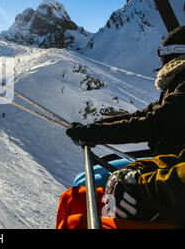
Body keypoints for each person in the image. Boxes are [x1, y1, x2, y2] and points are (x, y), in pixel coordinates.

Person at [61, 25, 185, 228]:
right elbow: (145, 114)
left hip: (170, 167)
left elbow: (153, 123)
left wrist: (94, 133)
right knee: (84, 179)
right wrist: (93, 128)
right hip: (165, 161)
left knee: (86, 184)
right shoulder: (177, 82)